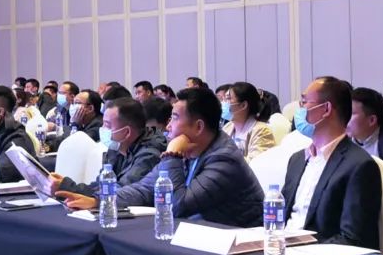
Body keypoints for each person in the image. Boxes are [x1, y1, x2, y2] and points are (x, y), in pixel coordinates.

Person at [58, 87, 264, 226]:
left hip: (243, 248)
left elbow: (177, 206)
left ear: (198, 127)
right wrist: (98, 201)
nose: (168, 126)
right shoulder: (190, 149)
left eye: (174, 118)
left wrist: (172, 155)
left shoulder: (224, 159)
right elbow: (144, 188)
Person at [281, 77, 382, 247]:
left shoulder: (359, 166)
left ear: (326, 109)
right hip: (281, 250)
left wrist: (301, 250)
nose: (300, 110)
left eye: (304, 102)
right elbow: (279, 217)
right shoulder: (297, 160)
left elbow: (354, 238)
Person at [48, 98, 166, 198]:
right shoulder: (116, 147)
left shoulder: (150, 155)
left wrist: (67, 187)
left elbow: (117, 192)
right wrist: (65, 187)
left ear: (126, 132)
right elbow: (101, 185)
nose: (102, 128)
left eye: (107, 125)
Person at [220, 81, 276, 161]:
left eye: (228, 98)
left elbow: (255, 163)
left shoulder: (262, 131)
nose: (224, 103)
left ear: (243, 105)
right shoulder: (227, 127)